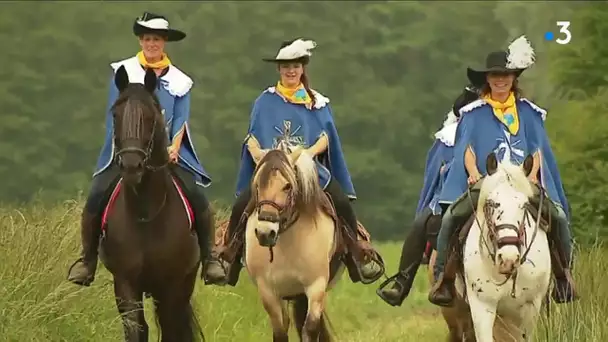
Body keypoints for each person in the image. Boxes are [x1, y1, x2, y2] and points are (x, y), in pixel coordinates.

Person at [203, 38, 384, 286]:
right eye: (286, 66)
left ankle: (356, 253)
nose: (291, 70)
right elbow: (252, 136)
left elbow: (326, 138)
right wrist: (258, 153)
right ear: (278, 69)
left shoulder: (317, 102)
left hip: (307, 169)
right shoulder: (264, 101)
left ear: (302, 68)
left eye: (296, 65)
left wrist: (308, 153)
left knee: (339, 201)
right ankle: (230, 255)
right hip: (272, 170)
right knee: (243, 204)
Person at [66, 12, 222, 286]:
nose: (152, 44)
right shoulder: (124, 72)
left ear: (164, 43)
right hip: (128, 150)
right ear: (140, 40)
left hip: (167, 155)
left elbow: (182, 119)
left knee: (198, 197)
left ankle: (210, 258)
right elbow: (114, 113)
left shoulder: (180, 80)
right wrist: (124, 147)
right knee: (97, 195)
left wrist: (174, 147)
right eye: (148, 38)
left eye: (157, 39)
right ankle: (87, 260)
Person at [428, 36, 577, 307]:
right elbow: (466, 149)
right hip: (487, 182)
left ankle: (564, 277)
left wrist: (532, 176)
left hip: (522, 181)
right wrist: (472, 172)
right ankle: (444, 280)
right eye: (495, 76)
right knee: (451, 218)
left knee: (559, 218)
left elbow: (538, 148)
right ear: (488, 79)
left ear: (513, 78)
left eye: (505, 76)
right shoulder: (473, 112)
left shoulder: (529, 113)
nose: (500, 80)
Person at [377, 85, 480, 306]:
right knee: (420, 223)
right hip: (452, 198)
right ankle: (402, 284)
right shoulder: (448, 138)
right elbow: (433, 177)